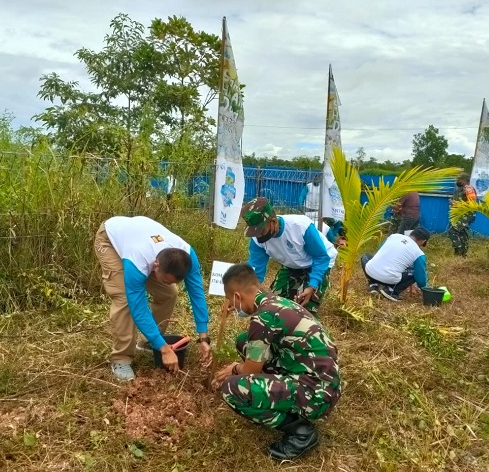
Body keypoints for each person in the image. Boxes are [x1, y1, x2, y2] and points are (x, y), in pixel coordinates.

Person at [212, 264, 341, 460]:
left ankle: (300, 431)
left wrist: (234, 369)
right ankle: (277, 392)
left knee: (232, 388)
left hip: (316, 395)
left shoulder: (264, 318)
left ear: (237, 296)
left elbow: (248, 371)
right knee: (243, 341)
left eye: (231, 301)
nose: (233, 307)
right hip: (322, 380)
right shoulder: (277, 302)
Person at [93, 216, 211, 381]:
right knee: (125, 300)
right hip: (110, 239)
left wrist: (204, 336)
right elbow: (138, 307)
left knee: (169, 293)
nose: (165, 283)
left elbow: (197, 293)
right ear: (155, 266)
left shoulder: (187, 256)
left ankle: (149, 341)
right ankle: (121, 359)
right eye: (164, 279)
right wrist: (164, 349)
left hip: (141, 236)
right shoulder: (137, 262)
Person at [240, 197, 338, 314]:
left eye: (261, 231)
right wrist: (244, 296)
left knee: (303, 310)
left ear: (273, 222)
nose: (258, 236)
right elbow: (256, 270)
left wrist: (312, 286)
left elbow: (321, 257)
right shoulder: (257, 240)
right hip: (293, 264)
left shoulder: (300, 227)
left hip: (318, 262)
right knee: (273, 305)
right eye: (255, 232)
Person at [360, 227, 431, 302]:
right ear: (423, 241)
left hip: (371, 271)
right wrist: (426, 289)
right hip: (389, 279)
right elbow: (420, 278)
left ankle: (373, 284)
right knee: (415, 271)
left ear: (411, 233)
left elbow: (380, 251)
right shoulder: (419, 253)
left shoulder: (393, 236)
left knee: (366, 256)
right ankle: (391, 291)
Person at [447, 173, 477, 256]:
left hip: (467, 215)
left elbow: (472, 204)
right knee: (461, 233)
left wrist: (456, 203)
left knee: (452, 231)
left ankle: (460, 252)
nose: (457, 181)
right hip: (460, 215)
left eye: (459, 180)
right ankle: (462, 254)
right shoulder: (460, 189)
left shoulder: (469, 189)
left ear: (464, 180)